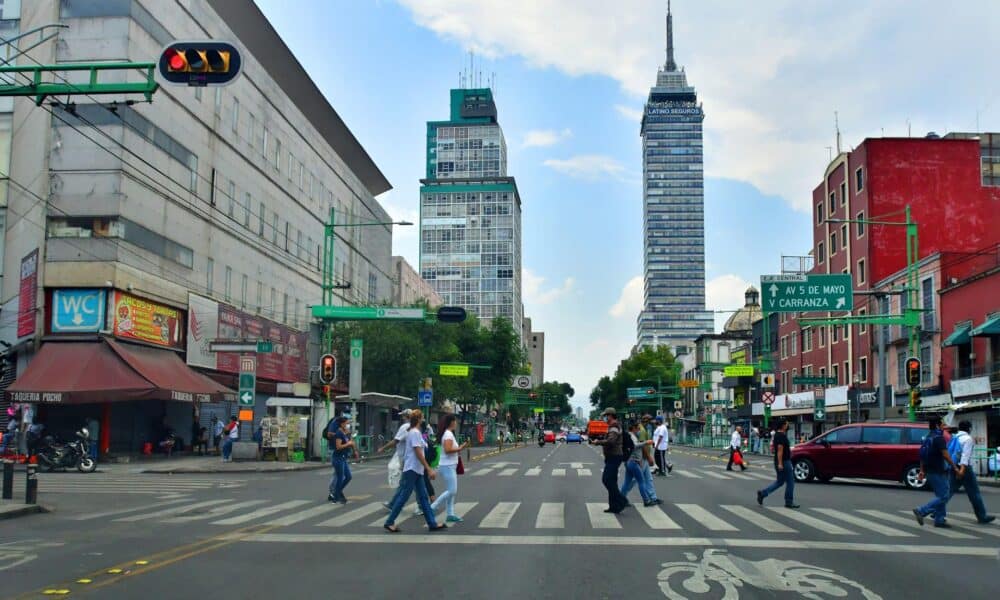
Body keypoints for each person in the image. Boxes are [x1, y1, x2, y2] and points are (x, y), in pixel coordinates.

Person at [383, 410, 446, 532]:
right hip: (412, 469)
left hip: (417, 470)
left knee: (423, 497)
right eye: (422, 418)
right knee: (404, 496)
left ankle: (432, 523)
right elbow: (418, 452)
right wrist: (428, 468)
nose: (423, 420)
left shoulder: (415, 432)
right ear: (418, 419)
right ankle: (389, 521)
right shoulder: (415, 433)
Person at [912, 416, 958, 528]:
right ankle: (922, 510)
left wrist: (922, 470)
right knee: (944, 496)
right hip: (939, 470)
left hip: (930, 470)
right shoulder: (939, 438)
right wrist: (955, 467)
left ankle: (939, 519)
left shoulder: (927, 437)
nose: (944, 426)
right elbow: (946, 455)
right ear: (937, 425)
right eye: (942, 424)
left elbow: (922, 455)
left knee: (940, 495)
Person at [948, 420, 995, 524]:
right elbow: (965, 456)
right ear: (969, 428)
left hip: (954, 466)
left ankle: (933, 510)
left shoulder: (955, 437)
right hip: (965, 468)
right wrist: (962, 470)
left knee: (949, 491)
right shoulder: (968, 439)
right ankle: (982, 516)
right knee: (974, 493)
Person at [430, 414, 470, 523]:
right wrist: (460, 447)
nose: (456, 423)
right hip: (447, 466)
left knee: (450, 491)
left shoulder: (448, 434)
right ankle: (432, 507)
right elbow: (448, 450)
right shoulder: (448, 434)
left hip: (449, 465)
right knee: (452, 491)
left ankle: (450, 514)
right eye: (455, 421)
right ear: (452, 422)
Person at [591, 407, 628, 514]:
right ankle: (614, 506)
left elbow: (611, 441)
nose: (605, 418)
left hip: (614, 456)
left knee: (606, 479)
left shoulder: (614, 427)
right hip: (613, 456)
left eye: (606, 416)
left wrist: (598, 442)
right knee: (612, 481)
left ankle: (622, 500)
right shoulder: (613, 426)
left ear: (610, 416)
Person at [756, 418, 798, 509]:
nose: (787, 426)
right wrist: (780, 463)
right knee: (790, 481)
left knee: (780, 482)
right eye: (786, 424)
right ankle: (789, 501)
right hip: (784, 461)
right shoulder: (780, 436)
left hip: (782, 461)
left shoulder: (778, 435)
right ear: (783, 426)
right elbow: (779, 450)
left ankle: (763, 493)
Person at [378, 409, 413, 510]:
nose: (402, 418)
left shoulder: (405, 427)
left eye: (403, 416)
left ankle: (394, 504)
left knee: (407, 484)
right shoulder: (415, 427)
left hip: (406, 459)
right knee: (411, 483)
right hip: (412, 459)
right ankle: (394, 504)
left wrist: (383, 448)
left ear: (406, 417)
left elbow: (395, 441)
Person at [621, 421, 657, 507]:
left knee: (627, 482)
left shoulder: (631, 435)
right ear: (633, 428)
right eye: (637, 428)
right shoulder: (631, 436)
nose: (639, 430)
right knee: (641, 481)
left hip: (631, 462)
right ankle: (646, 500)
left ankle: (621, 499)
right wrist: (646, 442)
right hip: (633, 462)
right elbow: (635, 446)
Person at [328, 417, 358, 504]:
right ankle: (335, 497)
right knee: (340, 478)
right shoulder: (339, 433)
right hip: (338, 458)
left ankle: (336, 493)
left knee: (348, 477)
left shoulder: (345, 433)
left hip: (343, 458)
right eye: (346, 423)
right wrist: (348, 443)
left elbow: (350, 442)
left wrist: (354, 450)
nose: (347, 425)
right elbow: (338, 446)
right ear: (342, 424)